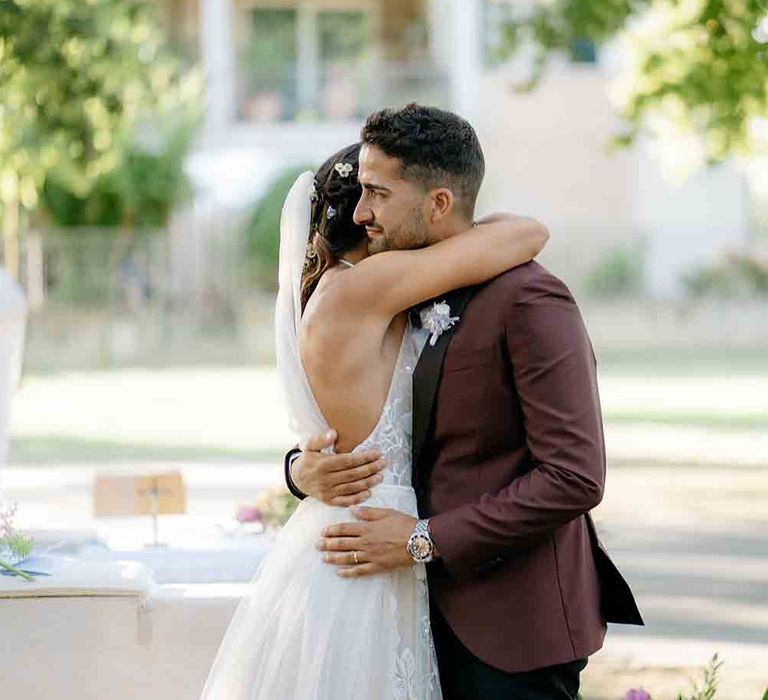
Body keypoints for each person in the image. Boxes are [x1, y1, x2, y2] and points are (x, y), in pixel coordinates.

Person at [286, 104, 644, 700]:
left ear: (440, 203)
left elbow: (574, 476)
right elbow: (379, 423)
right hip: (408, 615)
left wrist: (421, 539)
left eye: (378, 192)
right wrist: (303, 470)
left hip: (509, 624)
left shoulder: (530, 299)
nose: (361, 212)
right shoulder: (399, 295)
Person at [200, 126, 549, 697]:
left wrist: (296, 470)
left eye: (380, 193)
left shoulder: (337, 289)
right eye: (369, 195)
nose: (371, 209)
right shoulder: (367, 287)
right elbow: (528, 232)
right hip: (368, 541)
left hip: (355, 531)